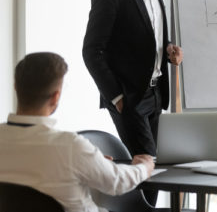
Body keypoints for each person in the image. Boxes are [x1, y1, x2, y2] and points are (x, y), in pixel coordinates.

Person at [0, 52, 154, 212]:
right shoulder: (69, 146)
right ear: (55, 97)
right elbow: (116, 182)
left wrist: (91, 162)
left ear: (16, 87)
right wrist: (143, 167)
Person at [83, 0, 183, 157]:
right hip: (130, 98)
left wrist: (168, 49)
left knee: (156, 167)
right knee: (146, 166)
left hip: (157, 93)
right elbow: (92, 50)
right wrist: (117, 97)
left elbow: (149, 35)